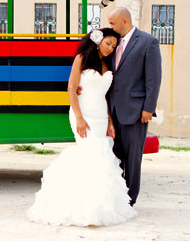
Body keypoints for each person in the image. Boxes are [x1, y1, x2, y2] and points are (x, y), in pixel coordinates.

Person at [28, 27, 133, 227]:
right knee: (89, 154)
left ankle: (101, 206)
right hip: (83, 112)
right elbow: (71, 87)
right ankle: (79, 205)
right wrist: (79, 117)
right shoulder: (82, 58)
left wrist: (110, 121)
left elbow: (106, 96)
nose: (111, 48)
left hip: (101, 115)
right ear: (98, 40)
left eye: (114, 45)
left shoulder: (107, 63)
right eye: (108, 43)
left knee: (101, 157)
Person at [105, 6, 162, 206]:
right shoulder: (112, 44)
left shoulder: (148, 42)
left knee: (133, 158)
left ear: (125, 22)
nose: (109, 26)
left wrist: (148, 108)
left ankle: (130, 200)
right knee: (115, 157)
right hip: (114, 111)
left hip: (136, 112)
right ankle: (118, 195)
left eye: (112, 23)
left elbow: (153, 79)